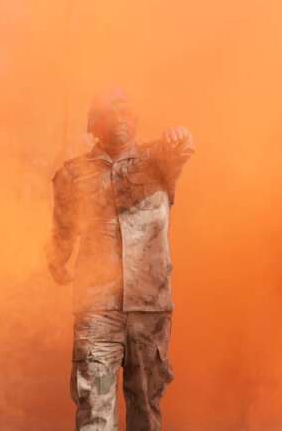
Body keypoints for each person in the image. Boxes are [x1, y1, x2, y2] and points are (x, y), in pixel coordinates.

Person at [48, 87, 195, 431]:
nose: (121, 119)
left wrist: (180, 135)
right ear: (94, 125)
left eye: (127, 112)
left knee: (145, 405)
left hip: (148, 311)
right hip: (97, 315)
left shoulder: (157, 161)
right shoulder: (72, 175)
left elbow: (184, 147)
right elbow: (62, 231)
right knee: (95, 407)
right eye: (111, 113)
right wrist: (57, 261)